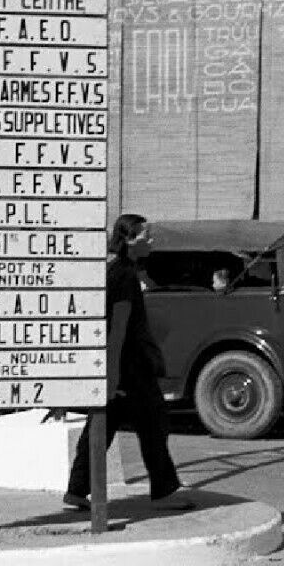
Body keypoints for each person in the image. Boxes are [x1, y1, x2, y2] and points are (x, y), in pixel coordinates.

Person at [64, 212, 192, 513]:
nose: (151, 240)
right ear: (129, 240)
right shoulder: (124, 276)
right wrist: (113, 376)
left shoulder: (121, 271)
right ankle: (164, 491)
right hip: (131, 370)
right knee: (154, 423)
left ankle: (77, 489)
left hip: (123, 368)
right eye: (145, 235)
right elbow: (118, 328)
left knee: (102, 426)